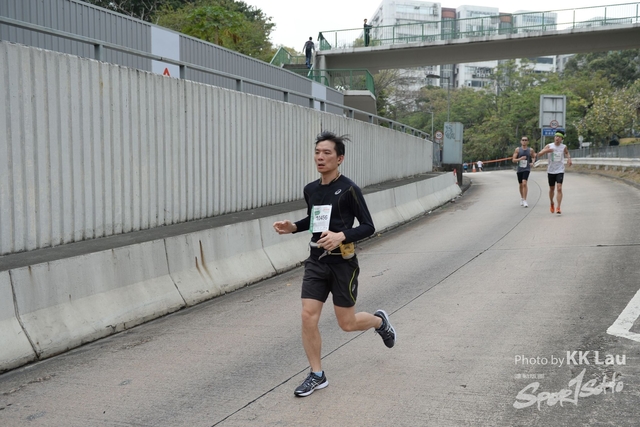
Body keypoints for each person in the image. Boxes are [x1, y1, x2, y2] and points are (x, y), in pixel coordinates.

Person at [273, 131, 396, 398]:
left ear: (339, 158)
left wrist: (342, 235)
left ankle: (379, 322)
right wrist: (293, 227)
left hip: (343, 263)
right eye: (317, 152)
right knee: (308, 316)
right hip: (316, 260)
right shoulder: (311, 189)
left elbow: (368, 226)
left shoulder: (349, 189)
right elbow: (314, 220)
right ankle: (317, 374)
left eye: (327, 153)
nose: (320, 157)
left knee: (347, 323)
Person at [537, 130, 572, 214]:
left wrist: (569, 159)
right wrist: (546, 151)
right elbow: (539, 154)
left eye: (559, 137)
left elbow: (567, 152)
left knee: (559, 188)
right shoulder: (549, 146)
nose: (557, 138)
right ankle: (552, 202)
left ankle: (558, 207)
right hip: (551, 170)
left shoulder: (563, 147)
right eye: (556, 136)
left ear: (562, 139)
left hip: (560, 170)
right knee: (552, 188)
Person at [512, 136, 536, 208]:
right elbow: (513, 160)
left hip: (526, 169)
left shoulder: (530, 150)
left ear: (528, 141)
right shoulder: (518, 150)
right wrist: (520, 159)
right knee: (521, 184)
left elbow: (534, 156)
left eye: (525, 140)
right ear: (521, 141)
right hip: (520, 169)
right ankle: (522, 198)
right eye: (523, 140)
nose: (524, 141)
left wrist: (532, 162)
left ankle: (525, 200)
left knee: (524, 183)